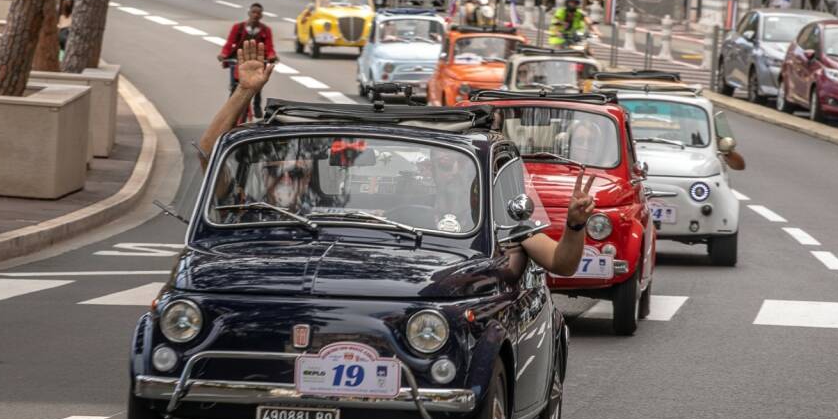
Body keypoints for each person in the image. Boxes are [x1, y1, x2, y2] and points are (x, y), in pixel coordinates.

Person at [198, 39, 596, 277]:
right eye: (292, 171)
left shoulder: (497, 209)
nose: (290, 178)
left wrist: (575, 224)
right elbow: (209, 155)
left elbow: (560, 263)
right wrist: (244, 91)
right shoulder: (270, 208)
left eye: (456, 163)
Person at [217, 3, 278, 119]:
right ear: (249, 13)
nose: (255, 15)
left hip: (257, 61)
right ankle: (230, 108)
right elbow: (229, 43)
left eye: (258, 13)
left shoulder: (265, 30)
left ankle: (256, 104)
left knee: (257, 85)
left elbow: (269, 46)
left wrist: (271, 55)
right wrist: (224, 54)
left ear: (261, 15)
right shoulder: (238, 27)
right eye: (253, 12)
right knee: (234, 86)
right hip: (239, 60)